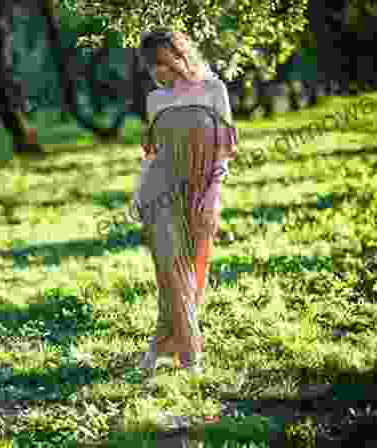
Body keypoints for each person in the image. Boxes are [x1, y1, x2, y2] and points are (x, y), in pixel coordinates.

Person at [135, 28, 238, 374]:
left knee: (190, 270)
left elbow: (224, 151)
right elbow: (152, 155)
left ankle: (158, 348)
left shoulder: (213, 90)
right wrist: (138, 191)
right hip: (158, 192)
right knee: (169, 268)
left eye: (163, 63)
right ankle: (191, 357)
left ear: (180, 55)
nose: (159, 72)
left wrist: (214, 193)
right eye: (152, 67)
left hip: (201, 189)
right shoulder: (155, 100)